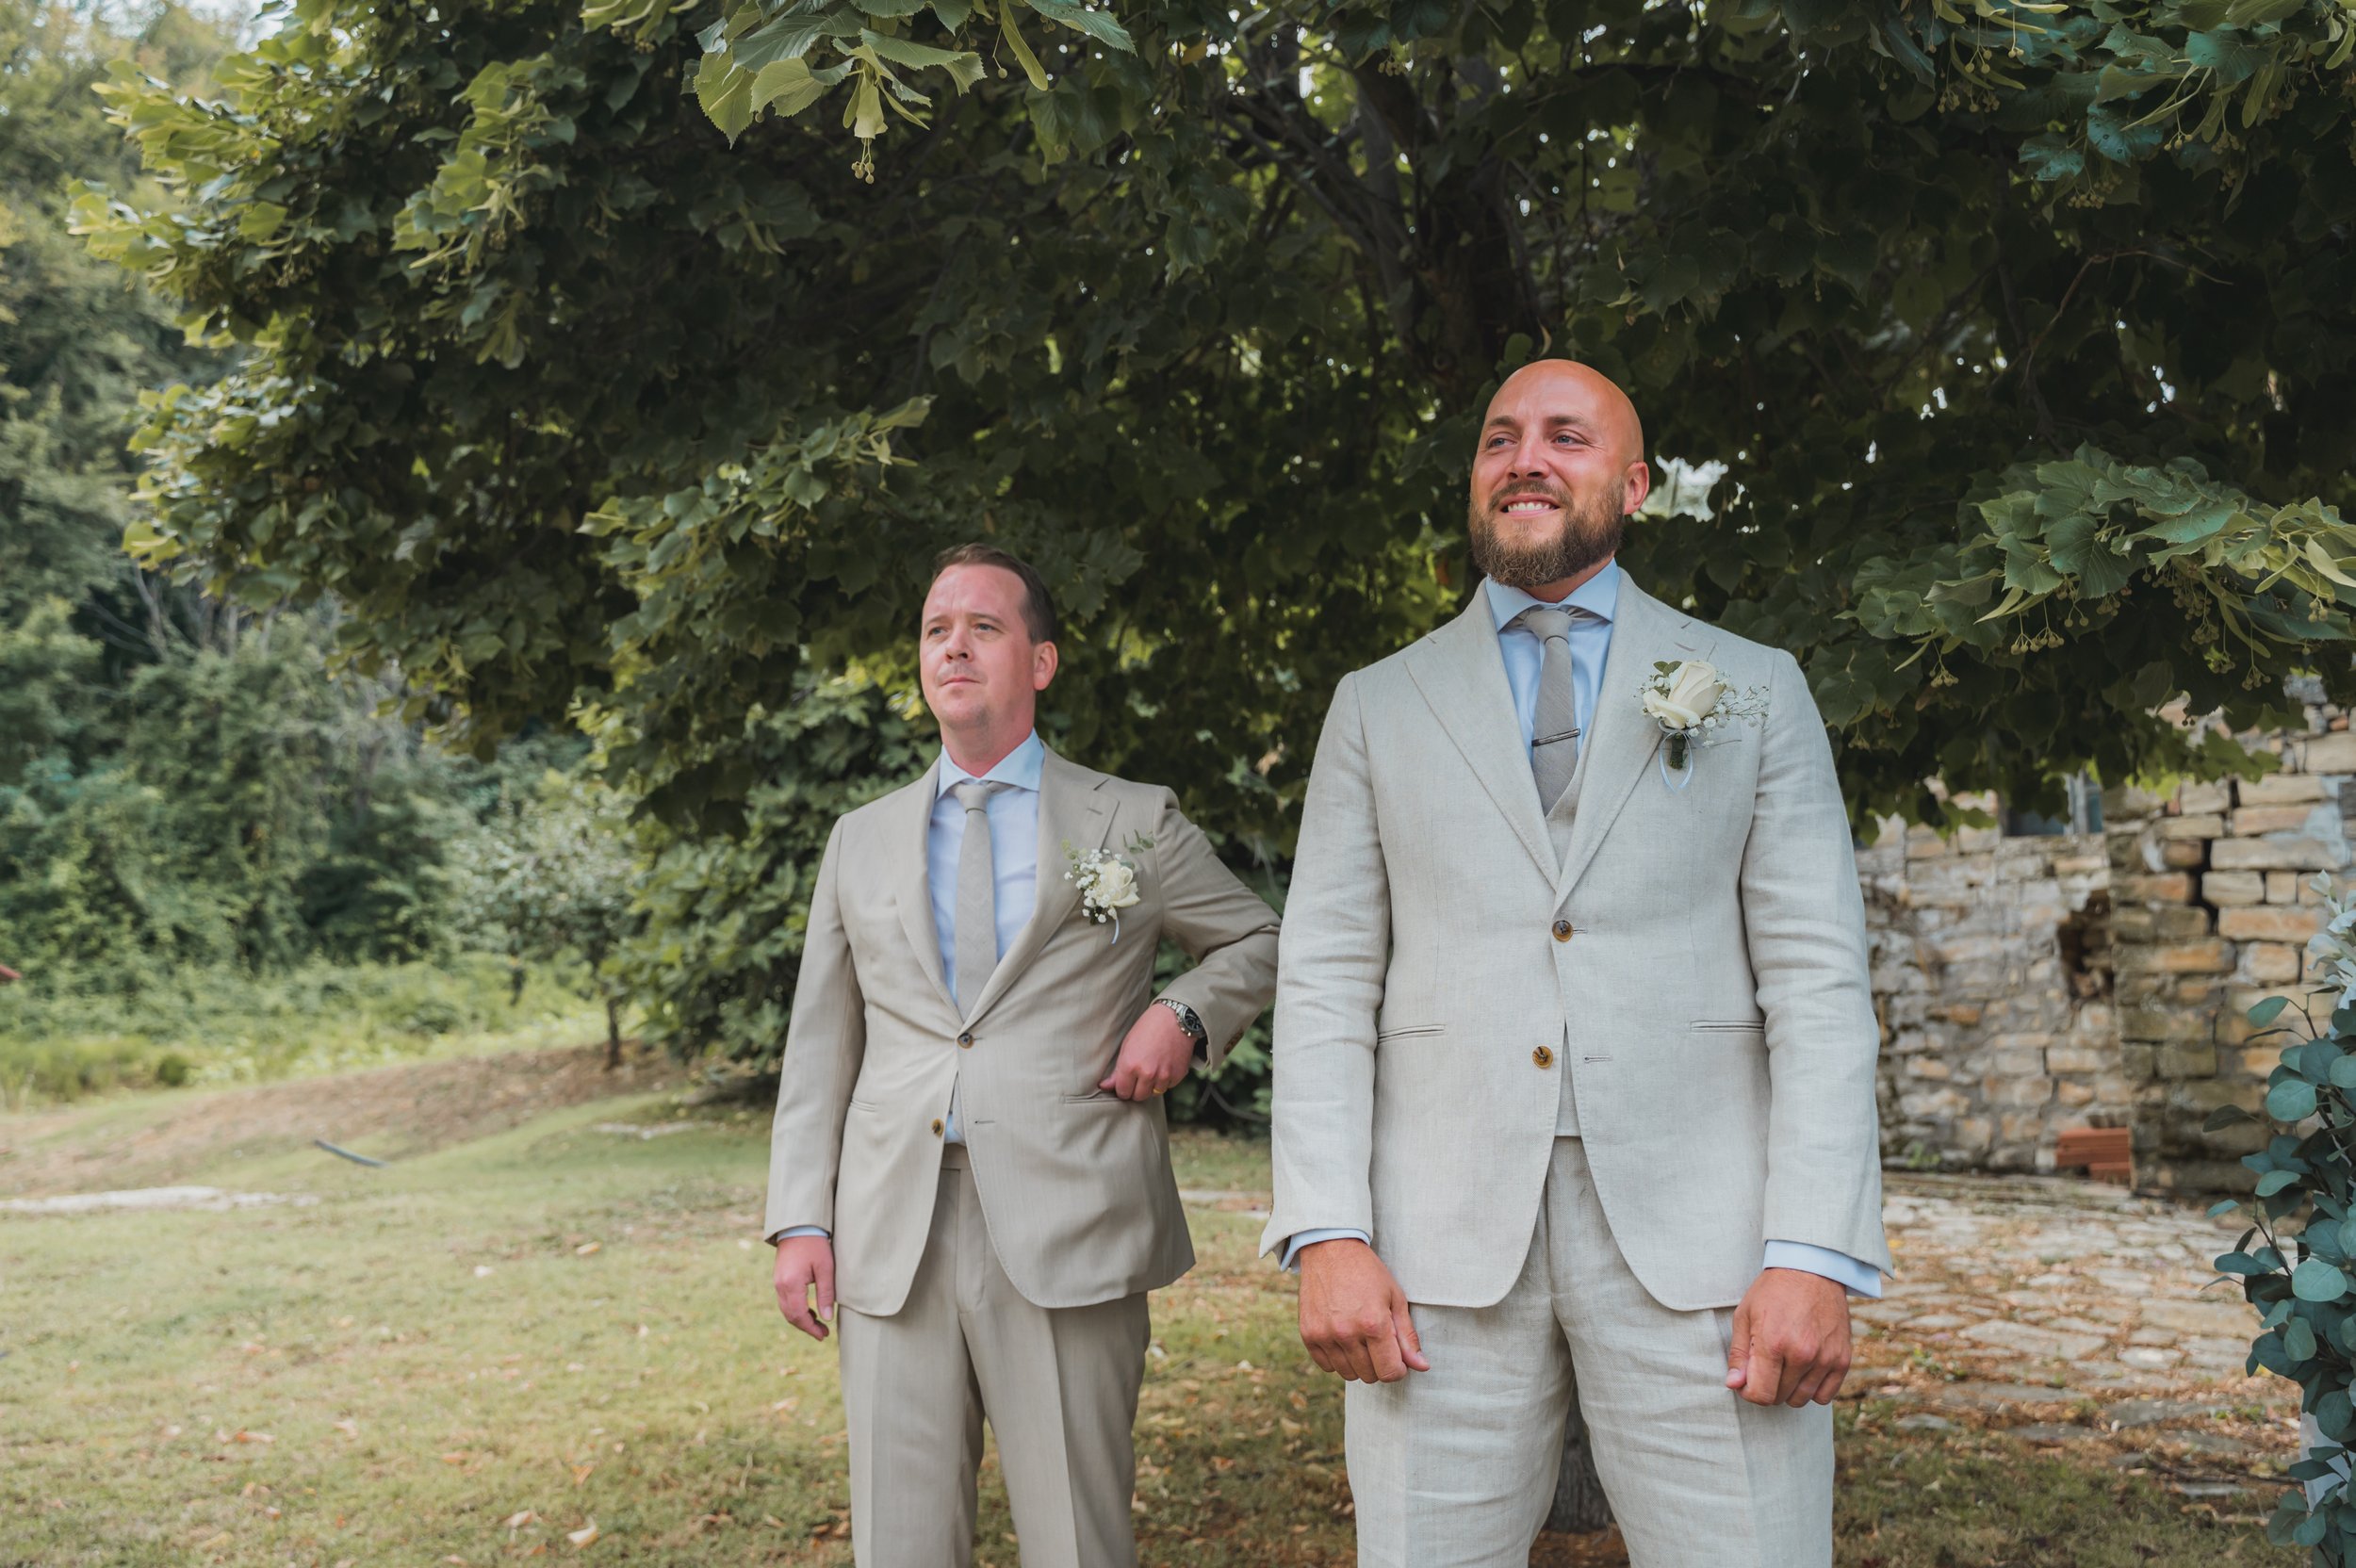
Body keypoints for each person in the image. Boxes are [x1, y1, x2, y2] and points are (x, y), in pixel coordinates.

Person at [1265, 360, 1890, 1566]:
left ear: (1634, 484)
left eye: (1565, 435)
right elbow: (1325, 979)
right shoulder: (1376, 704)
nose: (1524, 458)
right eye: (1498, 438)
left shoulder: (1754, 689)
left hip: (1706, 1247)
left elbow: (1818, 985)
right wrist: (1327, 1230)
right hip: (1433, 1257)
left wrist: (1811, 1249)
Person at [764, 543, 1281, 1568]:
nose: (952, 644)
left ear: (1040, 661)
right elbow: (819, 1043)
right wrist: (798, 1218)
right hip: (888, 1228)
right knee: (898, 1544)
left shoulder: (1132, 820)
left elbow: (1261, 938)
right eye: (934, 628)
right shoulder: (856, 840)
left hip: (1068, 1220)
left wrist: (1180, 1017)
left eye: (983, 626)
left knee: (1077, 1542)